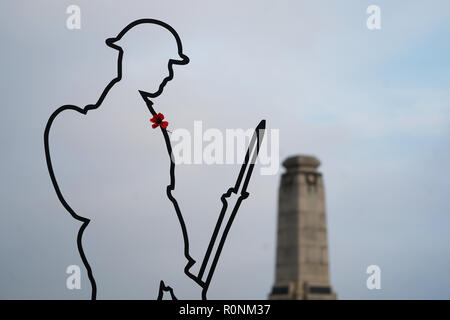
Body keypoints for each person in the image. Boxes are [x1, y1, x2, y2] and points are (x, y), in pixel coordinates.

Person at [44, 19, 201, 299]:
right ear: (138, 60)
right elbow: (142, 199)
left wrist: (176, 264)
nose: (169, 74)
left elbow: (160, 198)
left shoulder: (143, 114)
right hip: (127, 248)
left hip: (157, 247)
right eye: (166, 64)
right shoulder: (113, 119)